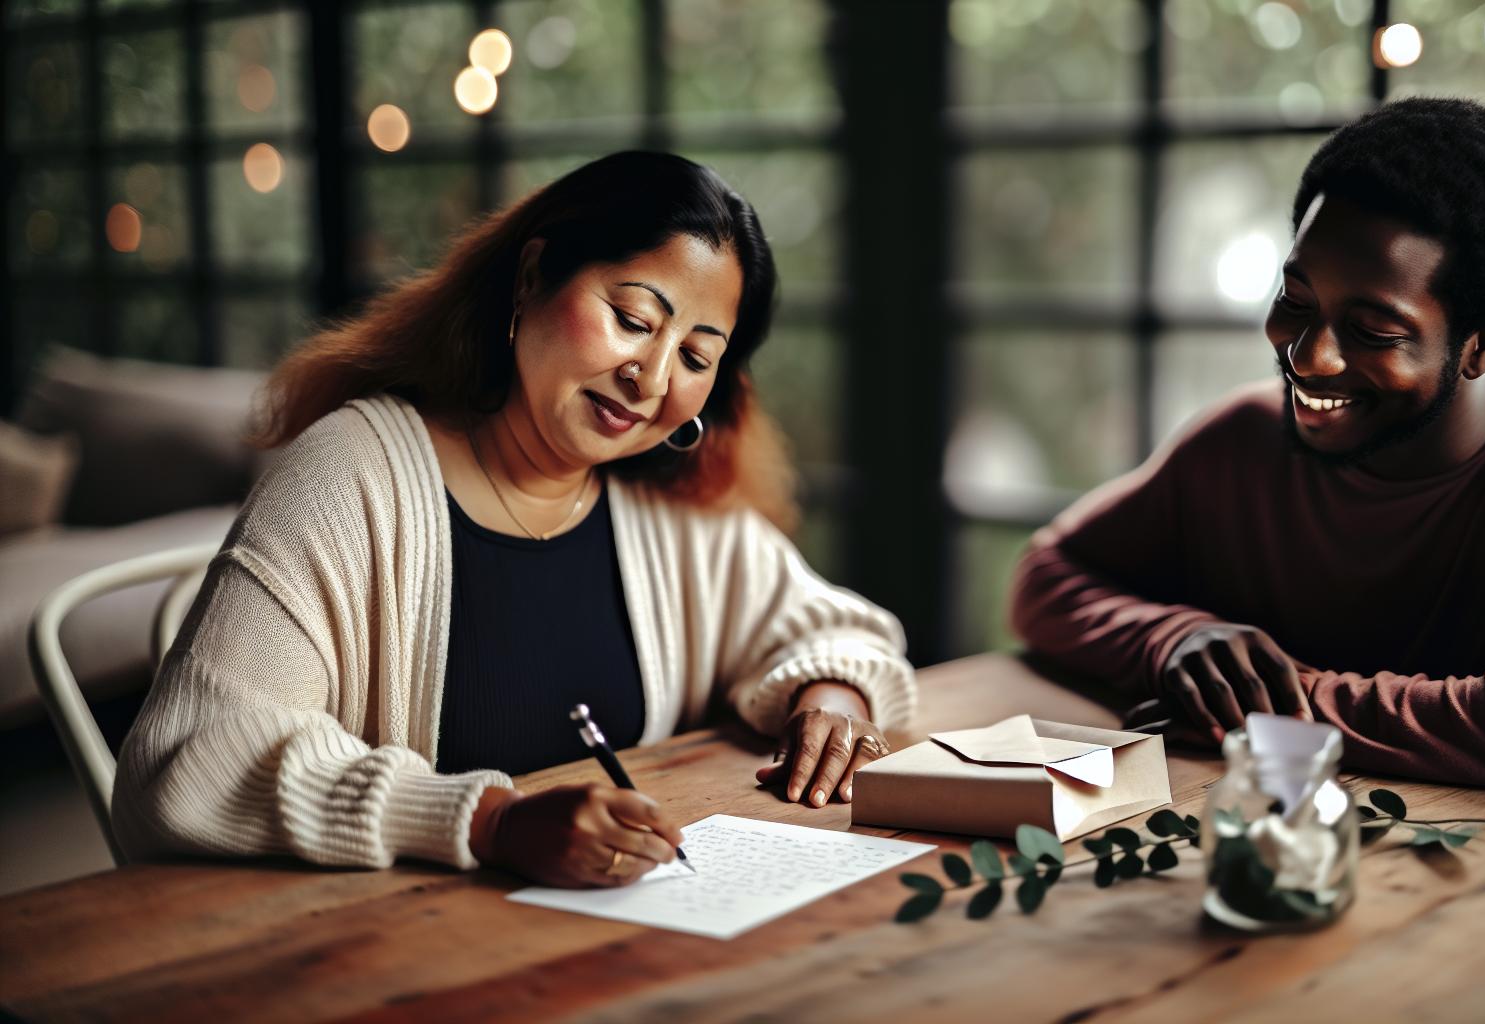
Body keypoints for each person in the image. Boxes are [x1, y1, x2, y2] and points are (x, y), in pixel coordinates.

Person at [113, 152, 916, 888]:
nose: (651, 378)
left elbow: (832, 629)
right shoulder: (353, 471)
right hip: (393, 946)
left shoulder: (667, 505)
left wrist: (833, 702)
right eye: (634, 318)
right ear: (533, 276)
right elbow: (192, 758)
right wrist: (489, 822)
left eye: (697, 357)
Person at [1009, 98, 1485, 797]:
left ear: (1483, 343)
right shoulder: (1239, 443)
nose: (1309, 356)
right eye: (1296, 300)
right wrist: (1171, 638)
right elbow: (1046, 574)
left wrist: (1299, 710)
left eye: (1373, 331)